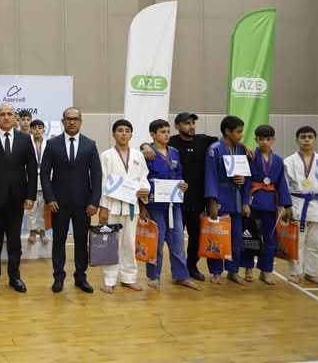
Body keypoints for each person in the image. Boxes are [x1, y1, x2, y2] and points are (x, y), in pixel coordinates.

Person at [40, 107, 101, 294]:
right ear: (63, 121)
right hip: (58, 203)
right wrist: (49, 198)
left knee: (81, 241)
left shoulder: (90, 145)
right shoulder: (52, 144)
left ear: (80, 121)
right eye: (68, 118)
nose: (72, 122)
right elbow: (44, 174)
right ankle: (58, 277)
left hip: (83, 204)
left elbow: (96, 175)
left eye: (75, 119)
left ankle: (81, 277)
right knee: (58, 241)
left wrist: (94, 201)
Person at [0, 103, 37, 294]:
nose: (6, 117)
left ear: (15, 118)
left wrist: (30, 195)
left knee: (14, 241)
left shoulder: (25, 139)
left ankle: (15, 277)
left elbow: (31, 170)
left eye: (9, 114)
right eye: (2, 114)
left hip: (17, 200)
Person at [144, 119, 200, 291]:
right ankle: (154, 276)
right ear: (153, 134)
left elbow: (179, 174)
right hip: (155, 204)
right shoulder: (147, 153)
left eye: (168, 132)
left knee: (177, 240)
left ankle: (181, 276)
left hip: (174, 204)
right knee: (157, 241)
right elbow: (141, 178)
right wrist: (142, 205)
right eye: (163, 132)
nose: (167, 135)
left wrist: (183, 185)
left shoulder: (174, 152)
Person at [98, 119, 150, 293]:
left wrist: (145, 190)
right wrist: (103, 207)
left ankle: (129, 278)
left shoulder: (138, 156)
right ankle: (109, 280)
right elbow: (103, 181)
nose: (123, 133)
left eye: (127, 131)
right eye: (120, 130)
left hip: (131, 206)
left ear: (131, 135)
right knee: (110, 243)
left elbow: (143, 177)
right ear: (114, 134)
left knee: (129, 243)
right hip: (112, 206)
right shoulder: (106, 155)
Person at [240, 124, 292, 285]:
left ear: (273, 140)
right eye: (261, 139)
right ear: (256, 139)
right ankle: (248, 269)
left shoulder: (278, 160)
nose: (264, 142)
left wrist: (286, 205)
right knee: (250, 237)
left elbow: (281, 183)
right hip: (253, 201)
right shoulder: (250, 157)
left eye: (268, 139)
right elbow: (246, 182)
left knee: (270, 240)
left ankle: (265, 271)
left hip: (271, 204)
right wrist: (245, 203)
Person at [204, 115, 251, 285]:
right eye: (238, 132)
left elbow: (247, 177)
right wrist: (212, 202)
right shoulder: (214, 149)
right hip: (220, 196)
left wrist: (245, 201)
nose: (241, 135)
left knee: (236, 236)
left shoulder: (241, 150)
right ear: (227, 131)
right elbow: (210, 176)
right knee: (217, 235)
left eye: (241, 131)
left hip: (236, 197)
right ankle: (216, 272)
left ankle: (233, 270)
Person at [284, 126, 318, 285]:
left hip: (317, 206)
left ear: (315, 140)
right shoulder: (289, 161)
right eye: (303, 137)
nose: (306, 140)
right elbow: (284, 186)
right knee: (296, 242)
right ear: (297, 140)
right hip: (297, 204)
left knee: (316, 243)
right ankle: (294, 273)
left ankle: (312, 272)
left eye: (310, 137)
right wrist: (285, 206)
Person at [27, 119, 49, 243]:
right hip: (30, 180)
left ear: (44, 130)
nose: (37, 130)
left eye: (39, 128)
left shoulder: (49, 144)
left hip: (45, 180)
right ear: (30, 130)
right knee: (31, 208)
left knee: (43, 209)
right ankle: (32, 231)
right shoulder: (26, 144)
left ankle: (42, 232)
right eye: (34, 128)